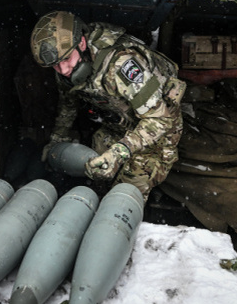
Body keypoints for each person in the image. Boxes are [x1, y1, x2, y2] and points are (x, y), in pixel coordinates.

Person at [30, 11, 186, 199]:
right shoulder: (66, 67)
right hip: (119, 127)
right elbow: (68, 104)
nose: (63, 70)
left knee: (125, 192)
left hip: (157, 134)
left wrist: (119, 152)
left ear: (81, 42)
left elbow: (160, 119)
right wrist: (57, 138)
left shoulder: (121, 64)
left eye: (66, 59)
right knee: (98, 171)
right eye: (55, 65)